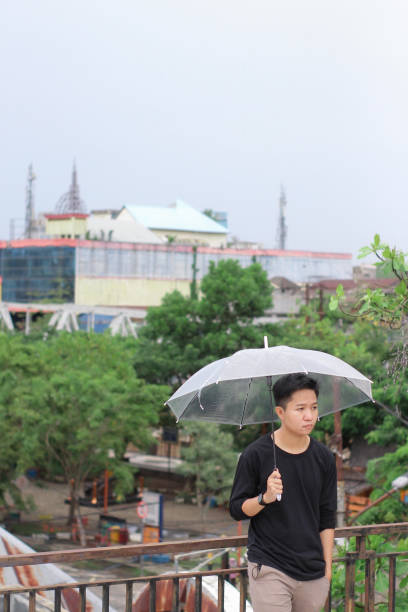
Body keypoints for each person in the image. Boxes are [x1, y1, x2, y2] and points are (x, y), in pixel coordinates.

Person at [229, 373, 337, 612]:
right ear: (280, 412)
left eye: (314, 407)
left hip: (312, 572)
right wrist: (264, 497)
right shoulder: (256, 454)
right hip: (270, 566)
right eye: (300, 409)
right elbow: (236, 509)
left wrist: (326, 571)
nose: (309, 416)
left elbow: (327, 516)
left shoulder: (324, 458)